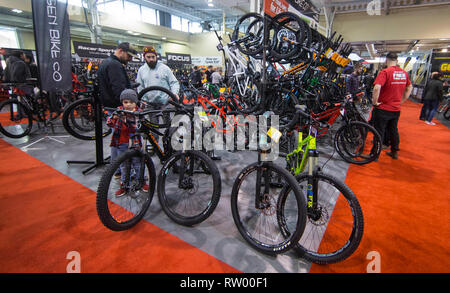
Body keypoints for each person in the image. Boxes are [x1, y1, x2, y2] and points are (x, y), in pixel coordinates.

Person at [371, 52, 413, 160]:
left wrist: (374, 102)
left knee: (379, 131)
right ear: (397, 61)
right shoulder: (404, 73)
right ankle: (394, 152)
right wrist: (402, 101)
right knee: (393, 130)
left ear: (386, 60)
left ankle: (375, 155)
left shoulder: (385, 72)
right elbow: (409, 88)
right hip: (396, 109)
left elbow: (376, 88)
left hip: (383, 108)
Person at [106, 89, 148, 197]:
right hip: (121, 143)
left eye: (131, 102)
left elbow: (138, 127)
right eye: (125, 102)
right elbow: (109, 123)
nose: (128, 105)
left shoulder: (138, 113)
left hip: (135, 143)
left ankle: (142, 182)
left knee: (138, 164)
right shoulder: (119, 111)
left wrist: (128, 119)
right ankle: (124, 185)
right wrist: (115, 118)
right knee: (124, 166)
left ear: (135, 102)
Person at [136, 46, 180, 140]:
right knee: (152, 126)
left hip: (165, 102)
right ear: (145, 57)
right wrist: (142, 100)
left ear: (156, 56)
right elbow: (140, 87)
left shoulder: (164, 68)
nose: (151, 59)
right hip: (150, 103)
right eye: (149, 57)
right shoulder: (141, 70)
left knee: (168, 125)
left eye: (153, 57)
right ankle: (154, 146)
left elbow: (174, 82)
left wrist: (174, 93)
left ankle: (170, 143)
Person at [97, 42, 138, 108]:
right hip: (116, 108)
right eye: (129, 56)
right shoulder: (114, 65)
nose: (130, 59)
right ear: (121, 51)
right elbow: (119, 90)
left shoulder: (106, 62)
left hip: (108, 106)